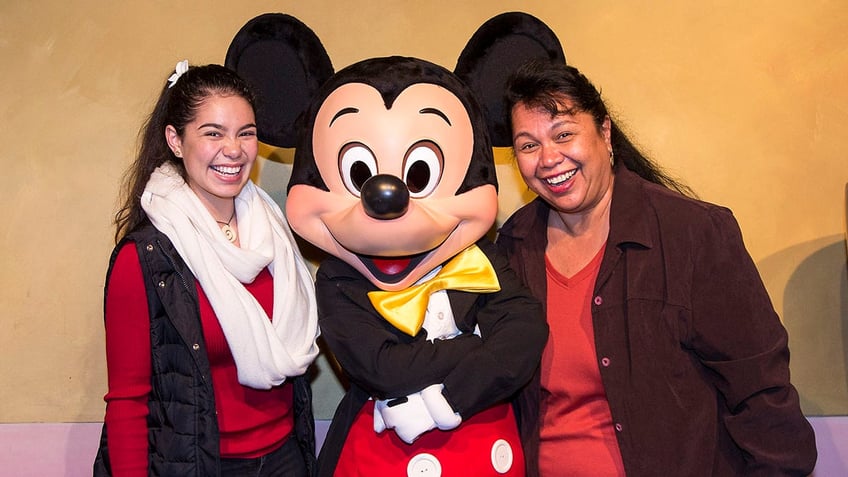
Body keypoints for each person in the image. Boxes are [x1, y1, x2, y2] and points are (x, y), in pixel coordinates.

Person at [496, 59, 817, 477]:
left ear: (604, 132)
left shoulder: (693, 233)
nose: (549, 158)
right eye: (528, 145)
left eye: (564, 134)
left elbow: (758, 388)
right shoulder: (513, 246)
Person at [92, 61, 321, 476]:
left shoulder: (275, 235)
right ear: (175, 141)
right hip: (201, 465)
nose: (233, 149)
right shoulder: (145, 256)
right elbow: (127, 402)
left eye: (245, 133)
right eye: (213, 133)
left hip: (286, 456)